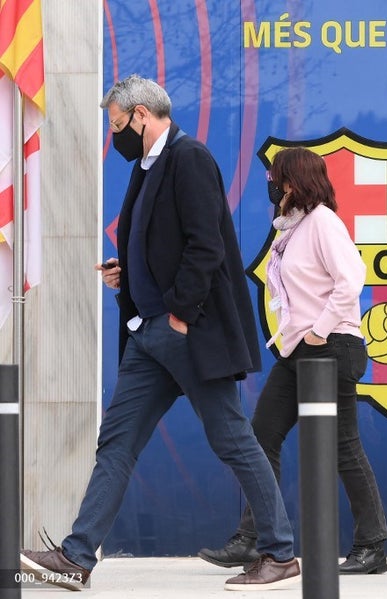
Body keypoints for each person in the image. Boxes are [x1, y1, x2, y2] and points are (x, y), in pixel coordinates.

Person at [19, 75, 300, 591]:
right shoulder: (146, 167)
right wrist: (127, 274)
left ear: (142, 114)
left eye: (116, 125)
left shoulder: (189, 158)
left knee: (233, 440)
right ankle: (76, 557)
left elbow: (205, 245)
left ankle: (280, 553)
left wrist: (180, 315)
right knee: (116, 443)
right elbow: (162, 246)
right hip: (148, 339)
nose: (114, 135)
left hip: (185, 333)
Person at [198, 146, 387, 575]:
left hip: (331, 346)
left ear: (293, 180)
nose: (270, 184)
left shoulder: (322, 221)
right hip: (297, 349)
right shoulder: (292, 228)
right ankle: (254, 539)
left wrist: (320, 330)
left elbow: (351, 279)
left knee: (342, 446)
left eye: (275, 178)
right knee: (262, 437)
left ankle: (371, 546)